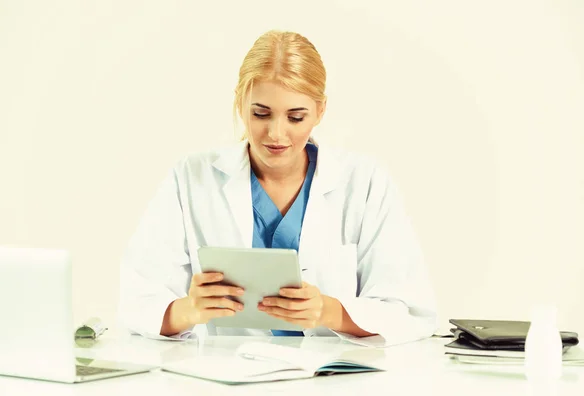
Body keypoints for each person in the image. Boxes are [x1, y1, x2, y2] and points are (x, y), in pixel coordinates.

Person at [118, 30, 437, 345]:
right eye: (260, 114)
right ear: (240, 102)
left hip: (334, 379)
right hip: (226, 377)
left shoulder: (365, 182)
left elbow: (408, 312)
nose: (276, 133)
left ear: (320, 110)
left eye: (296, 118)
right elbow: (137, 302)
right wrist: (189, 310)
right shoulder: (190, 177)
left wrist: (330, 312)